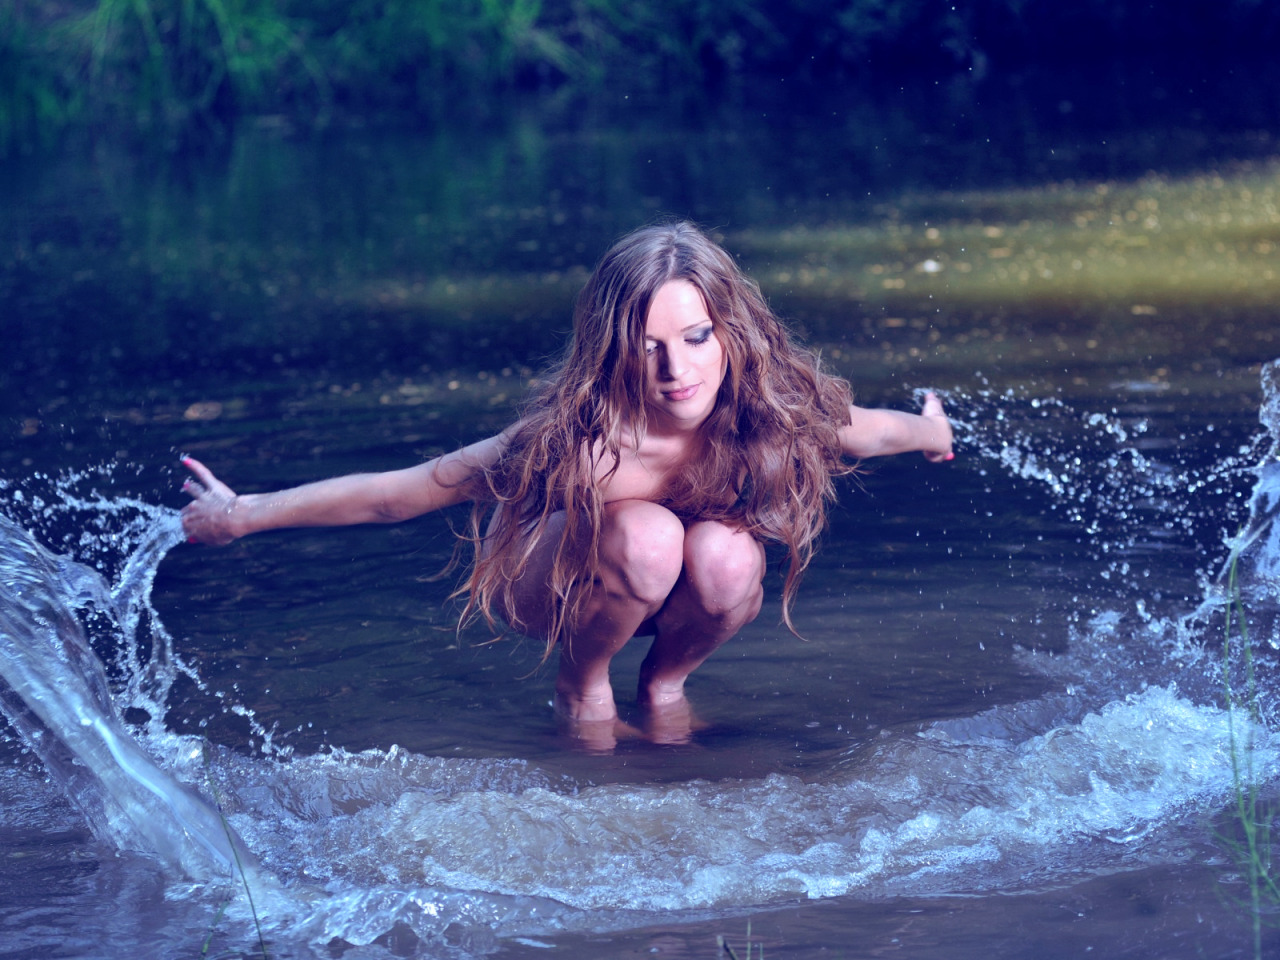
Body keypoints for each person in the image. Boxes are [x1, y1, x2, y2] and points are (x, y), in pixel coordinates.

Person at [181, 221, 953, 745]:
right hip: (549, 581)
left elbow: (873, 428)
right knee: (649, 535)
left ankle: (662, 688)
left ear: (732, 334)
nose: (675, 370)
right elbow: (402, 492)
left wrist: (933, 431)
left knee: (731, 557)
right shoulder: (578, 444)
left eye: (694, 338)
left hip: (661, 588)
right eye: (647, 346)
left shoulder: (771, 412)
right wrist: (241, 514)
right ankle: (582, 689)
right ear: (613, 349)